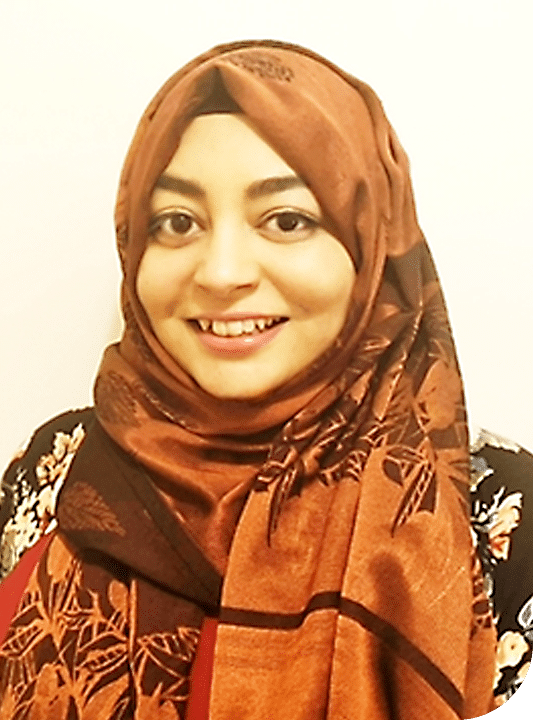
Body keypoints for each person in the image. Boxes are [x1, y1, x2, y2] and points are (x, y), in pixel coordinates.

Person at [0, 40, 498, 719]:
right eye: (177, 223)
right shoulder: (54, 467)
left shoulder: (497, 510)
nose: (220, 271)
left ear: (370, 246)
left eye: (287, 220)